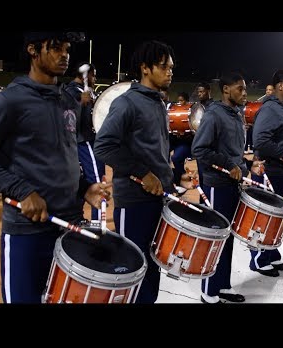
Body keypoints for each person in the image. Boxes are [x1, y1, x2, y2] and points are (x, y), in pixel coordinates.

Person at [0, 31, 111, 303]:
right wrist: (21, 190)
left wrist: (84, 189)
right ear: (33, 50)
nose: (64, 54)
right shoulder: (9, 102)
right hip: (28, 232)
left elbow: (64, 155)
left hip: (69, 226)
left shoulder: (68, 101)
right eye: (55, 47)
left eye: (66, 48)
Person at [94, 40, 179, 304]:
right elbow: (104, 146)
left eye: (171, 67)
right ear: (145, 68)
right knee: (133, 268)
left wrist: (167, 179)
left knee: (152, 265)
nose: (170, 72)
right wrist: (143, 173)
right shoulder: (127, 103)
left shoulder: (157, 103)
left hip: (158, 197)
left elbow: (155, 150)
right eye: (164, 67)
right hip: (135, 202)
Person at [192, 72, 262, 304]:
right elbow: (200, 150)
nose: (244, 93)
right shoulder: (214, 115)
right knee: (215, 237)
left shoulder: (236, 114)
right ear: (225, 91)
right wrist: (229, 165)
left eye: (244, 88)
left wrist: (248, 164)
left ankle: (222, 285)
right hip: (216, 185)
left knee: (228, 237)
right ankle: (209, 291)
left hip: (231, 184)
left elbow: (233, 152)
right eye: (240, 89)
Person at [250, 69, 283, 276]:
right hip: (271, 172)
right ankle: (260, 260)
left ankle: (271, 255)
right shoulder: (271, 109)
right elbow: (261, 141)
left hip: (282, 173)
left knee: (278, 218)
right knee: (266, 218)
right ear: (280, 86)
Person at [65, 62, 106, 221]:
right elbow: (68, 117)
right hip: (85, 142)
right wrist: (80, 103)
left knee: (82, 181)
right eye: (93, 75)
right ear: (85, 76)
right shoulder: (71, 92)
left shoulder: (84, 92)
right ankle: (98, 222)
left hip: (85, 142)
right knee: (96, 181)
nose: (95, 78)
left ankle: (78, 219)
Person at [168, 91, 194, 195]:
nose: (179, 102)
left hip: (187, 142)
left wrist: (185, 134)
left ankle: (183, 177)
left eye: (182, 100)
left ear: (186, 101)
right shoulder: (174, 109)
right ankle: (171, 182)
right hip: (175, 140)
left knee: (176, 158)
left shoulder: (192, 111)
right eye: (178, 100)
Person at [246, 84, 275, 154]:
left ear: (274, 91)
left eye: (270, 90)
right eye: (267, 90)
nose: (268, 91)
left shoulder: (275, 101)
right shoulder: (263, 101)